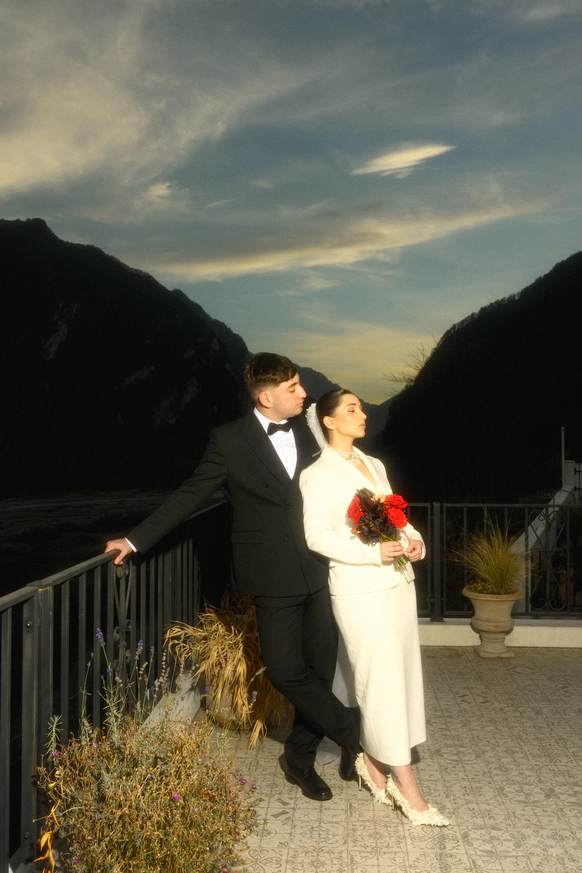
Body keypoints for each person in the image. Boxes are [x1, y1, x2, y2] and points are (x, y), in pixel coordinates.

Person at [105, 354, 359, 802]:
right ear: (266, 397)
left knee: (321, 671)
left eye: (300, 385)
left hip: (319, 566)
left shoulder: (307, 430)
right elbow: (189, 495)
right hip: (271, 574)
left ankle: (300, 760)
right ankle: (353, 731)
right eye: (293, 388)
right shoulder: (228, 441)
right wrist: (134, 540)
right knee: (285, 670)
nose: (304, 394)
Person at [299, 389, 449, 826]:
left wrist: (414, 539)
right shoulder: (316, 474)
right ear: (329, 421)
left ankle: (373, 762)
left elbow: (395, 517)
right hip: (359, 591)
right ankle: (408, 786)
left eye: (362, 407)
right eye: (351, 409)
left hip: (397, 584)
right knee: (378, 682)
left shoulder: (374, 464)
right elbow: (317, 536)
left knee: (401, 677)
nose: (362, 414)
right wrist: (371, 553)